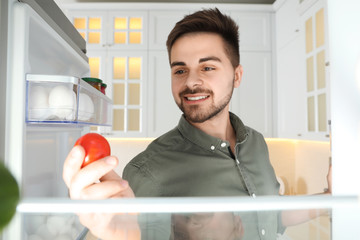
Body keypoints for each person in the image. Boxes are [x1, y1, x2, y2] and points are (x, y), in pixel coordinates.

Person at [63, 8, 332, 240]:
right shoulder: (148, 173)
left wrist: (330, 197)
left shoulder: (256, 143)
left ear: (237, 76)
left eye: (208, 67)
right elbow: (131, 230)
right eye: (180, 70)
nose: (191, 81)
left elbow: (272, 212)